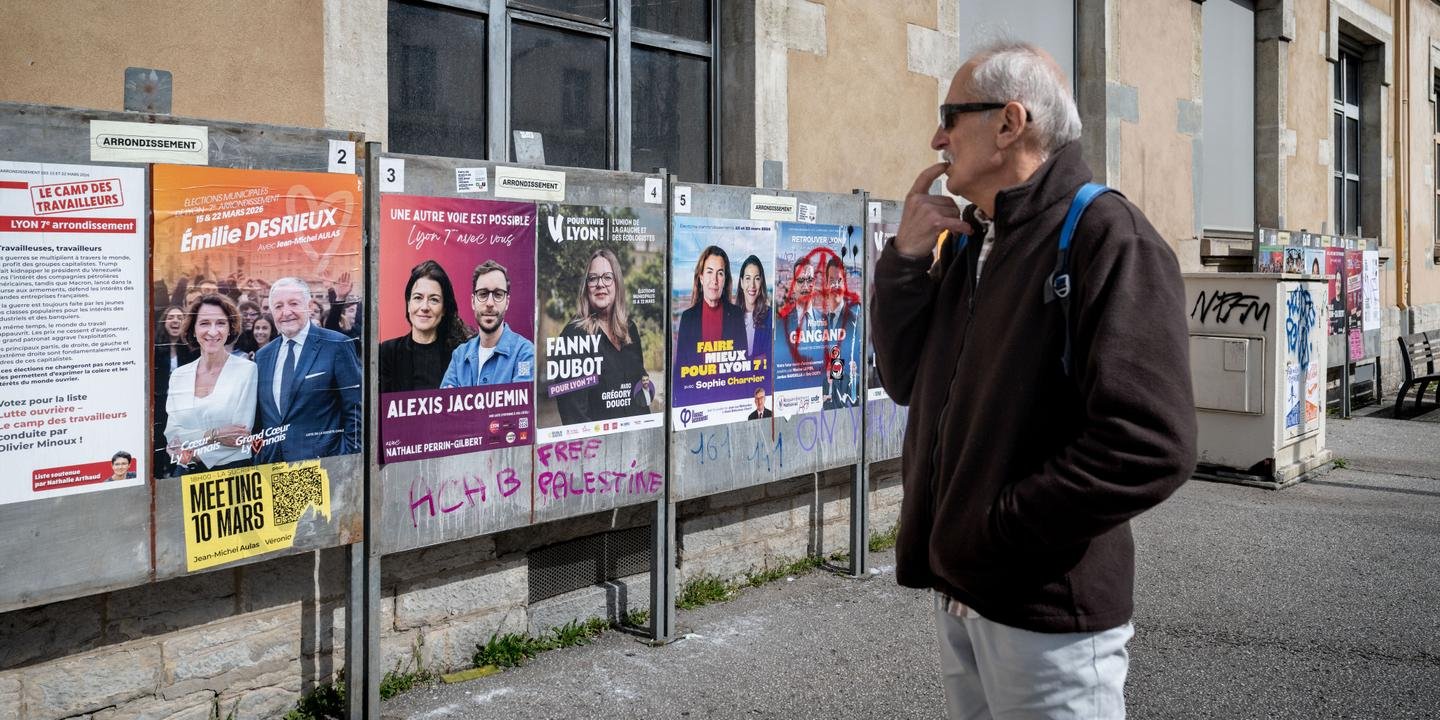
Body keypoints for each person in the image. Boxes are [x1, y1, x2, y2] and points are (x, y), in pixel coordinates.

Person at [870, 43, 1196, 719]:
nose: (937, 139)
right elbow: (906, 382)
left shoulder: (1108, 236)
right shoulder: (973, 240)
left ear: (1009, 123)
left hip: (1048, 617)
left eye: (950, 117)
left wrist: (996, 527)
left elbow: (1150, 444)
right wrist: (903, 262)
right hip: (962, 597)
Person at [254, 277, 363, 463]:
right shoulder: (262, 356)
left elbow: (355, 409)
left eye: (293, 303)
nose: (286, 312)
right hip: (273, 467)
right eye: (278, 306)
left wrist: (346, 460)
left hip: (324, 467)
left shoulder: (336, 345)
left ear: (309, 305)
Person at [552, 249, 654, 423]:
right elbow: (574, 416)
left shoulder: (630, 329)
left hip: (636, 437)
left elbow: (641, 394)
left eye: (607, 277)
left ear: (617, 283)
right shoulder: (573, 336)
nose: (600, 284)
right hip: (600, 440)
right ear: (586, 287)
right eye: (593, 278)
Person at [165, 294, 258, 474]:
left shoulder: (247, 370)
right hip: (184, 472)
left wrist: (189, 450)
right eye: (204, 323)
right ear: (193, 329)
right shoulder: (178, 376)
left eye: (221, 323)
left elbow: (239, 437)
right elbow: (172, 433)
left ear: (230, 329)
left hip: (231, 473)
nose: (213, 331)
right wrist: (214, 435)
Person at [441, 260, 536, 387]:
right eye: (483, 294)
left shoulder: (524, 353)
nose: (490, 303)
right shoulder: (459, 356)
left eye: (498, 294)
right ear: (473, 301)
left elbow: (522, 398)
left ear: (507, 302)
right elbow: (446, 399)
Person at [380, 260, 470, 393]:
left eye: (434, 300)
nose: (425, 307)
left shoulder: (461, 354)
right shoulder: (387, 353)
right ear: (408, 304)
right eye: (418, 298)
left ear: (444, 309)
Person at [674, 245, 747, 367]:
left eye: (720, 273)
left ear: (725, 279)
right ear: (701, 278)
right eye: (709, 272)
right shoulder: (687, 318)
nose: (714, 280)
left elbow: (742, 365)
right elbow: (681, 368)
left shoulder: (736, 315)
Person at [153, 303, 198, 475]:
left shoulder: (190, 350)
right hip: (159, 406)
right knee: (159, 441)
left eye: (180, 318)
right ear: (164, 322)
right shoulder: (155, 348)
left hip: (182, 407)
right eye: (171, 317)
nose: (175, 321)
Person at [734, 255, 772, 362]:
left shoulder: (770, 316)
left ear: (761, 283)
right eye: (748, 278)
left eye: (757, 279)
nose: (752, 285)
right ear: (741, 283)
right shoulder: (731, 317)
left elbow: (769, 357)